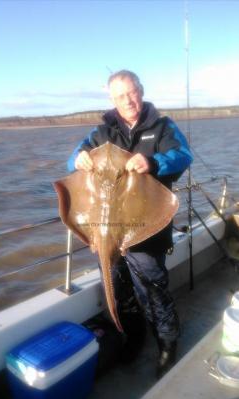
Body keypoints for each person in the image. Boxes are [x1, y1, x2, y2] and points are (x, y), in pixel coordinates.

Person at [67, 70, 193, 377]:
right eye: (121, 95)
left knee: (153, 290)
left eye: (132, 92)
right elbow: (72, 160)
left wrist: (153, 163)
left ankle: (166, 343)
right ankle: (133, 337)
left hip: (145, 230)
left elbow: (183, 155)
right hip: (107, 231)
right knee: (119, 291)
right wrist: (78, 160)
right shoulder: (101, 132)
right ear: (112, 99)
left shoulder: (162, 126)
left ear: (141, 90)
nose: (128, 99)